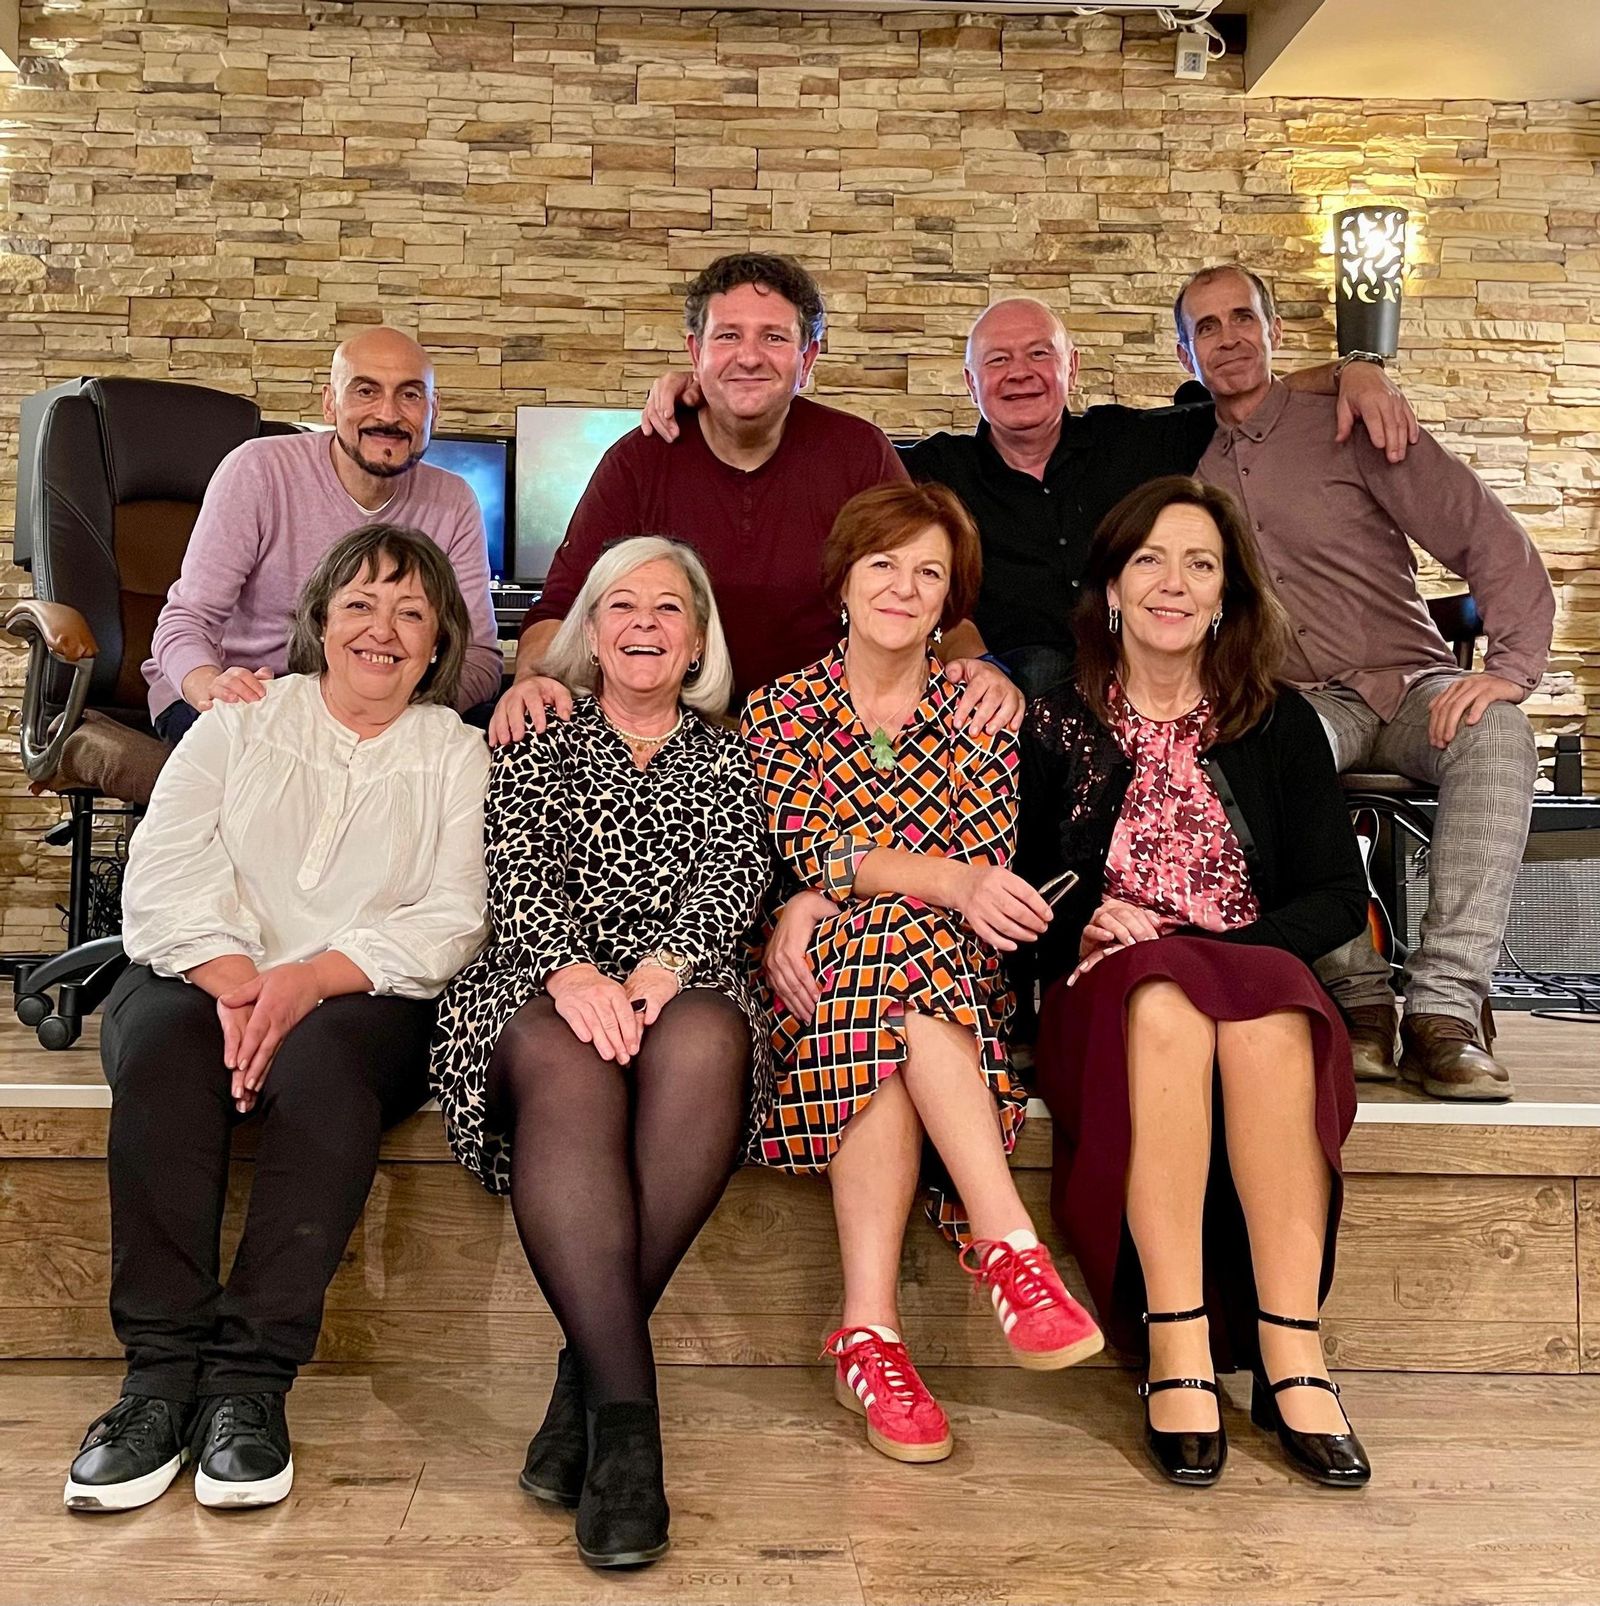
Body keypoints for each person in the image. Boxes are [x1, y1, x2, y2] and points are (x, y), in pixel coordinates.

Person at [66, 524, 490, 1514]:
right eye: (360, 605)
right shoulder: (239, 722)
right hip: (202, 972)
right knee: (164, 1046)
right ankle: (157, 1383)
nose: (382, 630)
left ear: (438, 646)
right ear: (320, 622)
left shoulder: (454, 756)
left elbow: (450, 918)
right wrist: (240, 982)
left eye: (412, 613)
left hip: (358, 995)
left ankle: (249, 1385)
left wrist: (302, 984)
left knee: (325, 1069)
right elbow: (164, 876)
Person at [742, 480, 1102, 1471]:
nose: (903, 587)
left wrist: (850, 884)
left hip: (942, 986)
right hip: (812, 993)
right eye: (883, 564)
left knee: (894, 955)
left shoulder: (982, 708)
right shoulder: (779, 709)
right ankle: (1009, 1248)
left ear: (951, 604)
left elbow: (976, 860)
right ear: (843, 582)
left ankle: (870, 1331)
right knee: (887, 960)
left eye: (929, 573)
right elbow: (807, 844)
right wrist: (910, 877)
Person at [1022, 476, 1371, 1490]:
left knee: (1263, 1014)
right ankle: (1176, 1338)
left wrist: (1239, 950)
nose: (1173, 583)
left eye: (1200, 564)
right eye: (1150, 561)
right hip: (1111, 992)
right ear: (1113, 589)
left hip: (1249, 976)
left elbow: (1335, 897)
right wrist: (1082, 913)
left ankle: (1289, 1344)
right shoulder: (1050, 725)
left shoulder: (1279, 724)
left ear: (1226, 597)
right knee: (1168, 1002)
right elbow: (1017, 893)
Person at [431, 538, 771, 1570]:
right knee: (572, 1063)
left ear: (698, 636)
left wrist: (663, 970)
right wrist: (574, 975)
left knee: (713, 1034)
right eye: (620, 605)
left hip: (679, 983)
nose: (643, 626)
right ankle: (630, 1428)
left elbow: (736, 875)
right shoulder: (538, 733)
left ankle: (586, 1385)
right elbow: (512, 865)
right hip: (533, 987)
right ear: (589, 627)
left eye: (668, 608)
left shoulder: (728, 755)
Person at [1175, 263, 1556, 1099]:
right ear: (1185, 351)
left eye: (1245, 318)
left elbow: (1485, 536)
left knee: (1498, 735)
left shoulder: (1349, 421)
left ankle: (1445, 1013)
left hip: (1413, 681)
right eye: (1208, 326)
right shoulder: (1180, 455)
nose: (1230, 337)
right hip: (1306, 701)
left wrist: (1512, 672)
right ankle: (1361, 1002)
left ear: (1274, 332)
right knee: (1255, 742)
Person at [642, 295, 1420, 697]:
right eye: (999, 360)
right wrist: (703, 395)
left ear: (1070, 368)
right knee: (1036, 676)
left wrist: (1355, 367)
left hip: (1141, 668)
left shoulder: (1133, 440)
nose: (1020, 373)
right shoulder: (933, 467)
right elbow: (809, 431)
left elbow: (1244, 391)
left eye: (1038, 355)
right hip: (1013, 680)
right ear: (971, 382)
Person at [492, 253, 1022, 744]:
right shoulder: (639, 460)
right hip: (679, 737)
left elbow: (933, 600)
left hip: (829, 733)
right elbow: (559, 607)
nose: (748, 357)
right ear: (696, 352)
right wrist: (533, 681)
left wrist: (980, 668)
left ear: (807, 358)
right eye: (727, 336)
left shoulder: (858, 452)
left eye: (773, 337)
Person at [145, 327, 502, 740]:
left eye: (410, 394)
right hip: (251, 697)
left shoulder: (454, 500)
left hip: (388, 707)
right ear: (330, 404)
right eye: (365, 391)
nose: (388, 414)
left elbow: (478, 657)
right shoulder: (258, 470)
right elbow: (186, 621)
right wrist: (207, 684)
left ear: (433, 409)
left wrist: (406, 711)